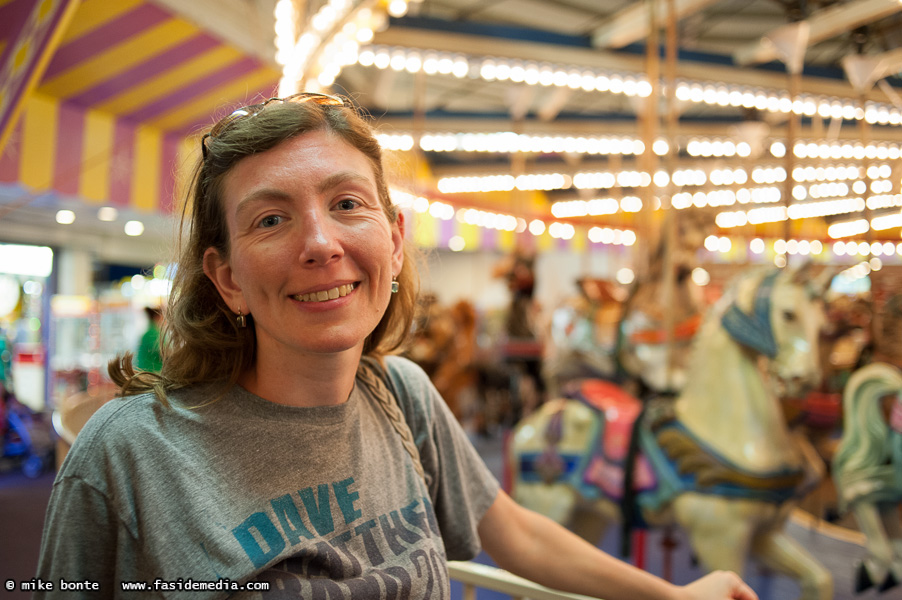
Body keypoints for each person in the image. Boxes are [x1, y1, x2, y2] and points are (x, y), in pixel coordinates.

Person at [34, 92, 757, 600]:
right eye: (271, 220)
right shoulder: (130, 456)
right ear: (226, 279)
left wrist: (671, 595)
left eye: (347, 204)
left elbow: (515, 531)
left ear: (395, 237)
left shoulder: (402, 394)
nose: (321, 244)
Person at [134, 306, 163, 372]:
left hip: (145, 371)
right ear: (158, 317)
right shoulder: (153, 333)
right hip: (152, 372)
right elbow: (164, 353)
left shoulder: (149, 332)